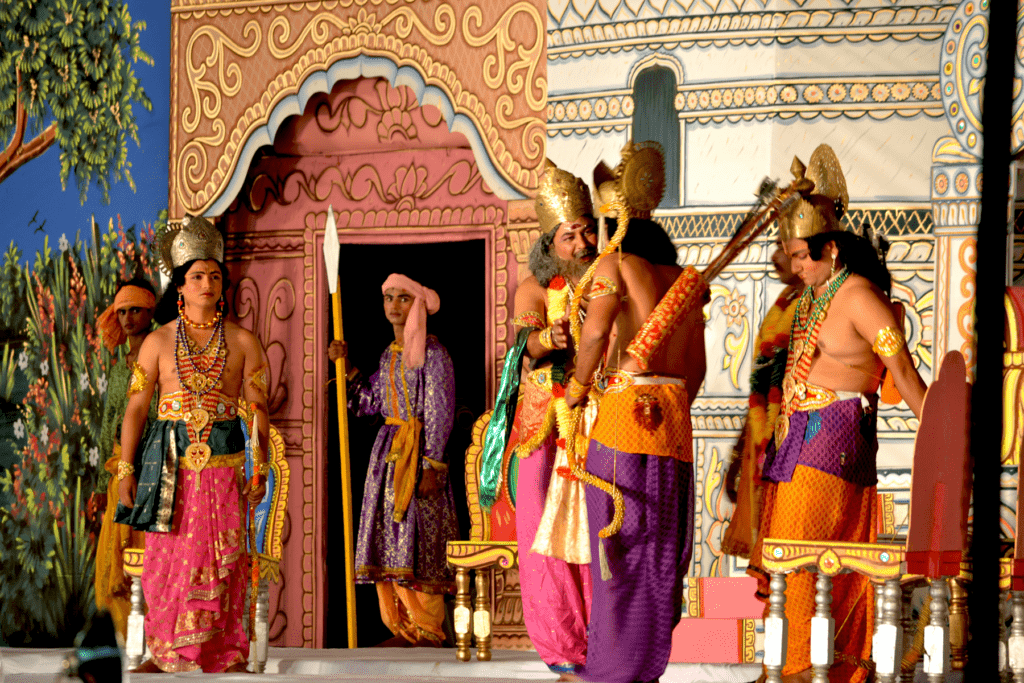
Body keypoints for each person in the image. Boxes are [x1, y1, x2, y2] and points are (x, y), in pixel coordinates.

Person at [747, 144, 927, 683]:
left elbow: (901, 369)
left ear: (832, 247)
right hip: (796, 440)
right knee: (789, 558)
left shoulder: (859, 296)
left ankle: (808, 667)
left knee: (807, 559)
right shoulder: (813, 298)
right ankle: (791, 664)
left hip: (835, 440)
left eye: (803, 255)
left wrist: (942, 434)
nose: (795, 266)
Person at [565, 141, 706, 683]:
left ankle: (611, 671)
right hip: (673, 423)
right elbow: (695, 370)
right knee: (658, 554)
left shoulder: (614, 265)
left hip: (625, 417)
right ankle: (642, 668)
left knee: (616, 551)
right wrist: (665, 403)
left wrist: (579, 389)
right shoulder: (685, 281)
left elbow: (597, 331)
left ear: (612, 222)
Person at [115, 215, 269, 673]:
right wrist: (126, 471)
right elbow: (137, 411)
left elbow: (258, 413)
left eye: (215, 275)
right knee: (167, 560)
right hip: (168, 470)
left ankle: (226, 653)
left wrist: (258, 469)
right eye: (197, 276)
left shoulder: (244, 343)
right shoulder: (157, 343)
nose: (207, 283)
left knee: (225, 558)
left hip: (224, 468)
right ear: (179, 285)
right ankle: (163, 654)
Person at [476, 161, 599, 677]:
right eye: (570, 235)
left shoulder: (607, 278)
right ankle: (563, 649)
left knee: (596, 534)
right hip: (544, 425)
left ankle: (605, 642)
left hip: (596, 419)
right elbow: (525, 347)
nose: (583, 242)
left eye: (588, 229)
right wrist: (551, 339)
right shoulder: (534, 285)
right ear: (550, 243)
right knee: (544, 539)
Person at [328, 273, 459, 647]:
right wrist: (347, 367)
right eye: (388, 298)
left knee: (420, 540)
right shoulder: (388, 354)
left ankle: (427, 629)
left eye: (403, 298)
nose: (394, 306)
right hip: (386, 461)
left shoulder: (433, 353)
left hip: (418, 461)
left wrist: (432, 465)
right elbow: (371, 405)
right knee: (388, 542)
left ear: (417, 304)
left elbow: (439, 409)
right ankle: (400, 628)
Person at [721, 242, 802, 558]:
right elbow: (764, 382)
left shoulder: (812, 303)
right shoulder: (786, 304)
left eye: (784, 248)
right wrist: (741, 449)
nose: (774, 257)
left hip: (793, 436)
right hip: (765, 433)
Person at [93, 278, 158, 639]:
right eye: (122, 312)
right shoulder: (119, 370)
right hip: (118, 474)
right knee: (113, 568)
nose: (129, 318)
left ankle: (154, 641)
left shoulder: (162, 360)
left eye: (135, 310)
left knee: (148, 561)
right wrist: (101, 486)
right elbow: (107, 427)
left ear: (150, 311)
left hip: (152, 472)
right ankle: (125, 643)